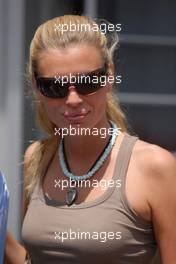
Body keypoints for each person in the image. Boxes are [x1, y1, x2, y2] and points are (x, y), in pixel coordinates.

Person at [4, 15, 176, 264]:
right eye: (55, 87)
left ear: (109, 76)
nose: (73, 100)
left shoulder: (155, 167)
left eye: (88, 82)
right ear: (36, 87)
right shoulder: (38, 157)